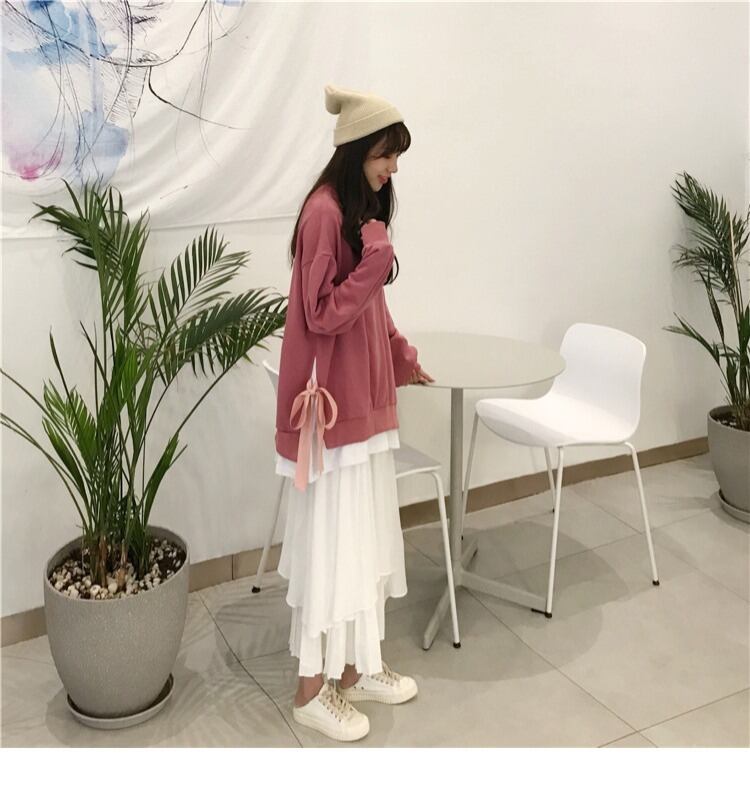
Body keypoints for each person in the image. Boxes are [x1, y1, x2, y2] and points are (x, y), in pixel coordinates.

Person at [274, 84, 434, 742]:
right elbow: (320, 313)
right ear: (356, 150)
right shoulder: (323, 212)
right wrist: (377, 260)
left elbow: (371, 308)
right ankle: (311, 690)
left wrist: (401, 356)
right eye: (385, 154)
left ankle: (353, 668)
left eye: (396, 156)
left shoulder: (357, 212)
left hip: (365, 404)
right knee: (332, 545)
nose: (392, 168)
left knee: (359, 540)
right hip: (334, 414)